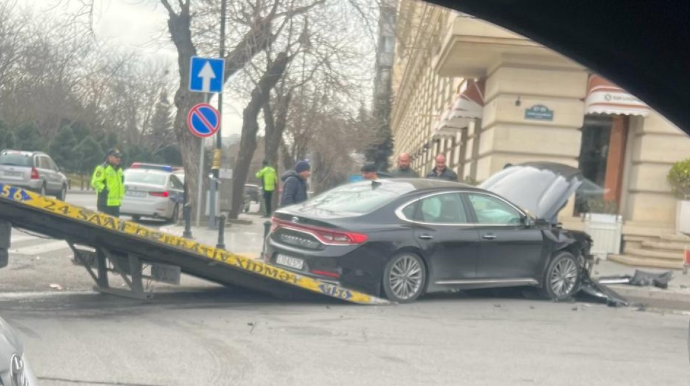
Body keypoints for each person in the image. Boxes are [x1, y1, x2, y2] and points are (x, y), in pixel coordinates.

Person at [91, 148, 124, 217]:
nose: (118, 159)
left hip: (116, 204)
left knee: (114, 227)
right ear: (109, 157)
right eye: (116, 157)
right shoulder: (102, 168)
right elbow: (95, 182)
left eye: (119, 157)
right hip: (105, 203)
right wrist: (104, 190)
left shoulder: (119, 170)